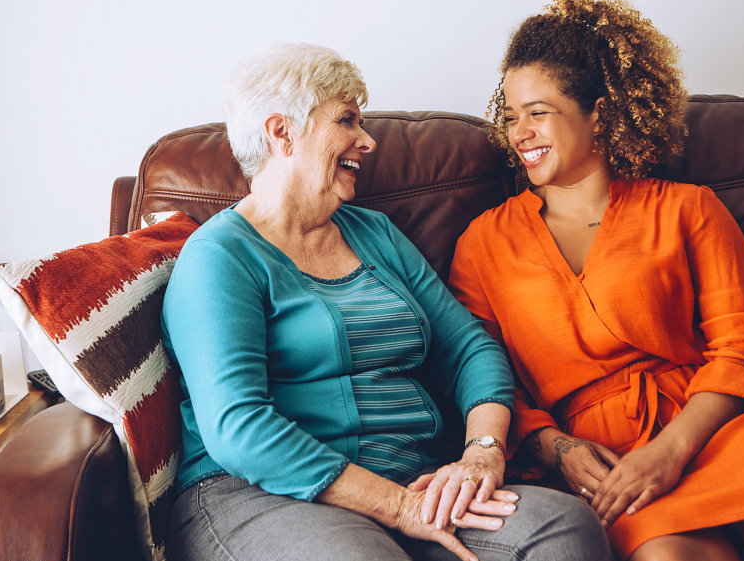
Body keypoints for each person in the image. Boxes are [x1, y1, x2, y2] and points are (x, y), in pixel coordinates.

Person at [160, 42, 612, 561]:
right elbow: (237, 427)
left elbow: (469, 348)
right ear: (281, 132)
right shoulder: (220, 257)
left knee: (561, 529)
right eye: (347, 120)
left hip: (412, 480)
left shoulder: (374, 233)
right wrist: (396, 507)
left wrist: (481, 454)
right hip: (260, 495)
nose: (367, 141)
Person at [449, 0, 744, 561]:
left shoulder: (687, 208)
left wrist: (673, 449)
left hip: (723, 427)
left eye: (539, 113)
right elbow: (483, 375)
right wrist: (558, 450)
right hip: (607, 460)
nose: (520, 132)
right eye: (511, 116)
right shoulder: (483, 244)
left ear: (598, 114)